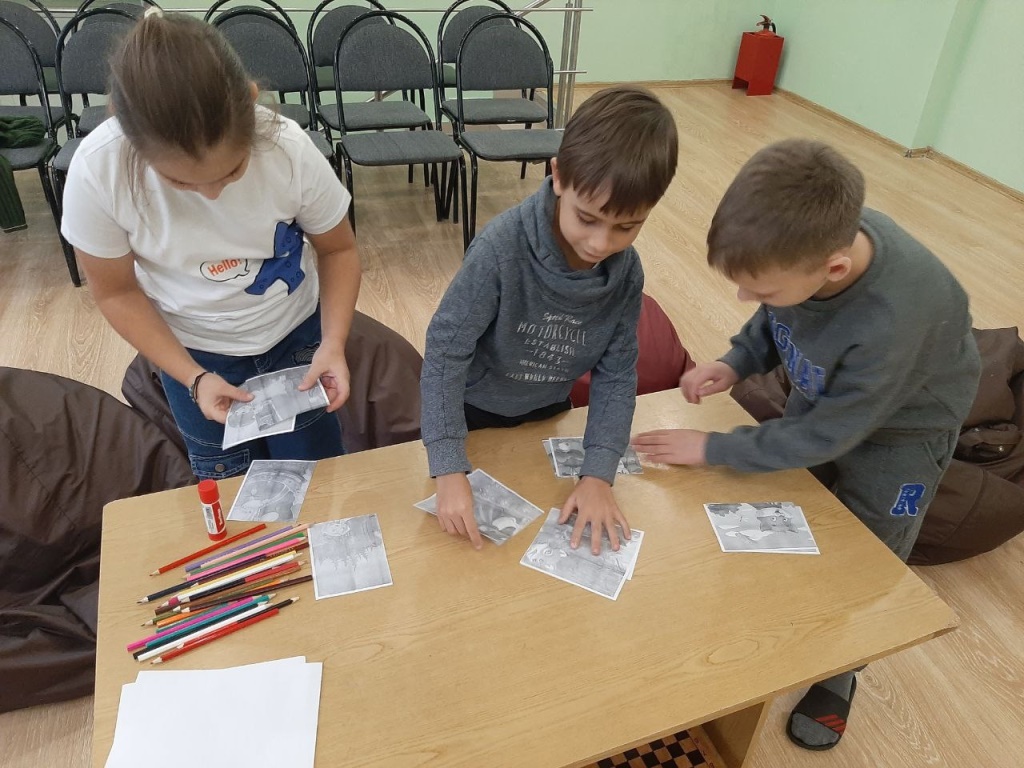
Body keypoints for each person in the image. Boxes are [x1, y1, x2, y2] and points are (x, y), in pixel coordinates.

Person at [632, 138, 981, 751]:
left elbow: (827, 436)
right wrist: (737, 360)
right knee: (791, 505)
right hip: (827, 398)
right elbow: (778, 317)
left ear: (834, 269)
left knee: (872, 546)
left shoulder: (896, 318)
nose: (747, 299)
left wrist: (711, 448)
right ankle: (779, 614)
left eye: (761, 290)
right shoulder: (807, 249)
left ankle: (842, 667)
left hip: (904, 431)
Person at [61, 12, 360, 479]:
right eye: (181, 182)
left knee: (316, 470)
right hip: (192, 351)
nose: (212, 195)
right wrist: (193, 377)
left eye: (232, 171)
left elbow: (339, 249)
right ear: (127, 135)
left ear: (252, 101)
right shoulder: (99, 170)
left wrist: (334, 342)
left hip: (295, 335)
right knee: (227, 480)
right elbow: (116, 292)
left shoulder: (287, 147)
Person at [420, 86, 678, 554]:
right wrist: (447, 464)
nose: (600, 244)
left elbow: (617, 374)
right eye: (588, 218)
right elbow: (445, 351)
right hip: (472, 414)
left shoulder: (626, 273)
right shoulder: (500, 250)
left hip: (548, 409)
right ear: (558, 176)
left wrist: (598, 474)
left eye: (626, 227)